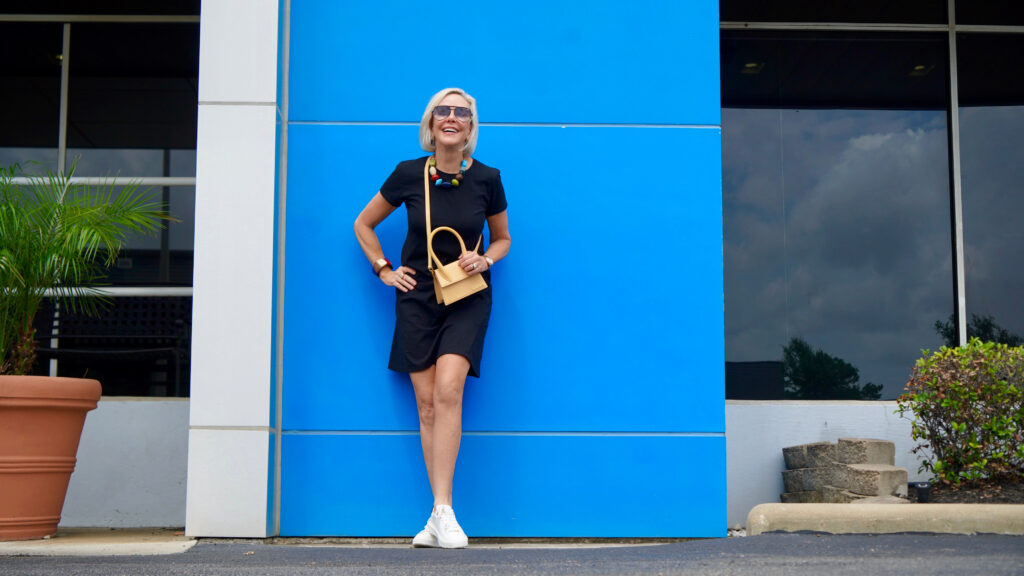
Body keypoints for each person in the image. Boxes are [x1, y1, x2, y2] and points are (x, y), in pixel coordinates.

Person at [353, 87, 511, 548]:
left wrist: (486, 260)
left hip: (467, 298)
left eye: (462, 113)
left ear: (470, 128)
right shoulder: (407, 174)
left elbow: (502, 239)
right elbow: (363, 224)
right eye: (444, 111)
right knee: (425, 405)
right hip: (418, 299)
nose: (452, 118)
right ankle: (438, 513)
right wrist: (384, 269)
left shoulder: (488, 178)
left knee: (449, 390)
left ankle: (445, 512)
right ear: (431, 122)